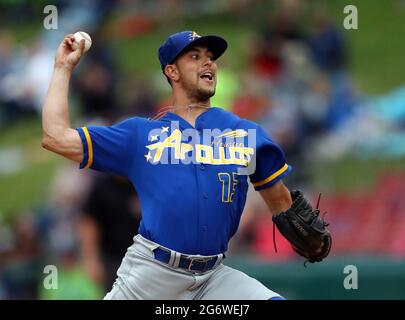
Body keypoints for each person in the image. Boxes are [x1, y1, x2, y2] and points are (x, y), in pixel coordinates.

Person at [42, 31, 331, 299]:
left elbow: (280, 203)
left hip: (213, 277)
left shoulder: (245, 134)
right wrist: (62, 68)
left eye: (210, 57)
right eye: (195, 56)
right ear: (172, 71)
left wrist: (309, 236)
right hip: (152, 275)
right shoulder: (141, 135)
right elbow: (55, 137)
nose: (208, 62)